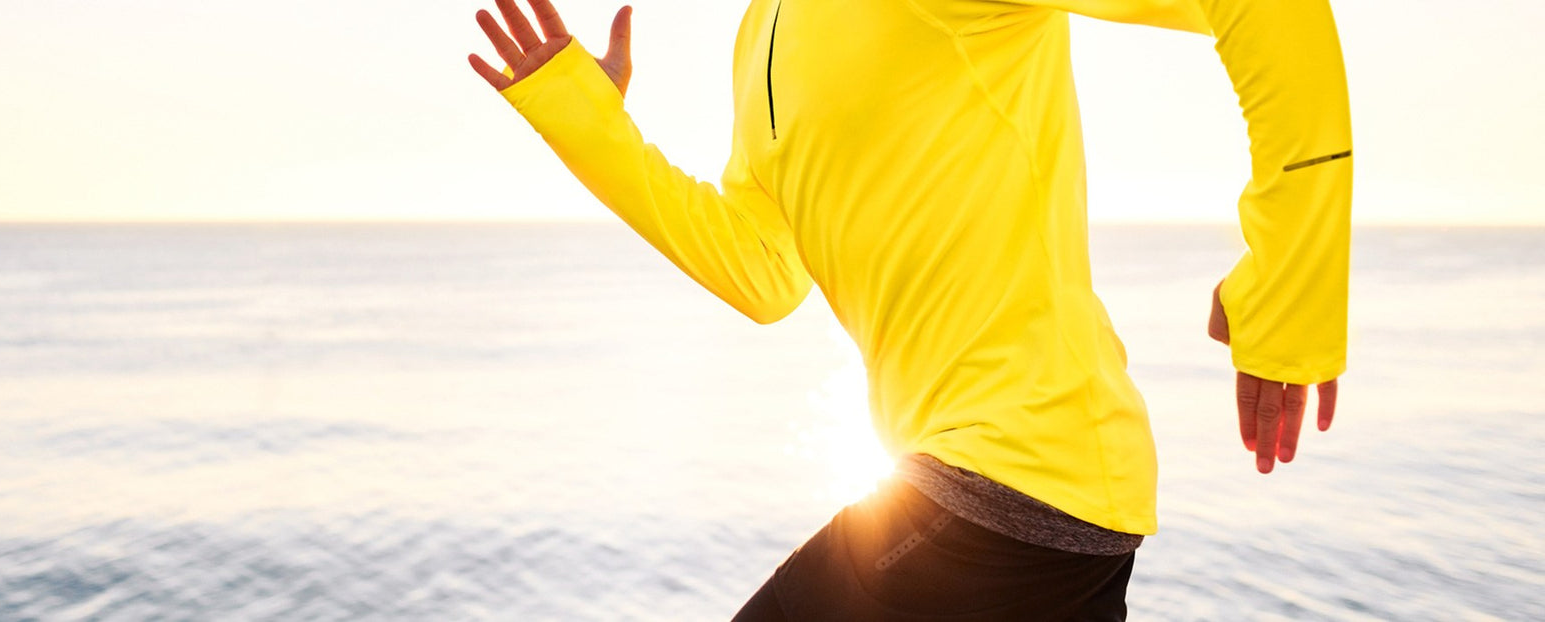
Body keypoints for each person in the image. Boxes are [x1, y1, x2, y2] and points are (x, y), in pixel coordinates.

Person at [467, 0, 1352, 618]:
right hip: (1014, 498)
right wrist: (588, 123)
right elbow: (763, 272)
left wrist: (1292, 282)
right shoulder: (760, 35)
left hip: (1010, 476)